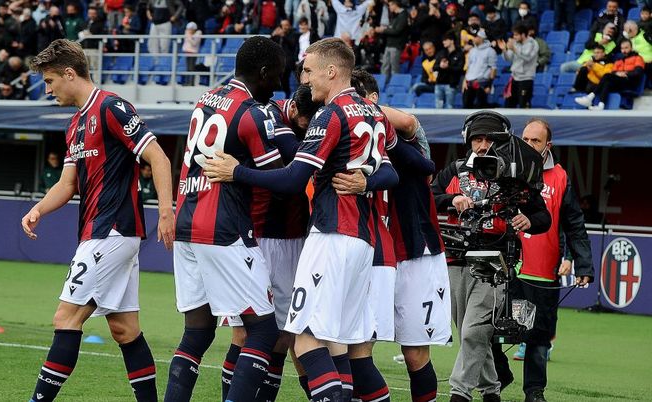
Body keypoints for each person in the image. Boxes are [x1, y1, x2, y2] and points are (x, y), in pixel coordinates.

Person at [203, 37, 399, 402]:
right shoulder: (373, 113)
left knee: (306, 340)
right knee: (337, 345)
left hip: (331, 237)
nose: (304, 80)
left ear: (331, 70)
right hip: (362, 243)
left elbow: (294, 179)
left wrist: (237, 173)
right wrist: (367, 180)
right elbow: (391, 174)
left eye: (308, 71)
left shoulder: (331, 114)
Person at [21, 38, 175, 402]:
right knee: (124, 329)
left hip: (113, 231)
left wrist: (166, 211)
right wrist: (39, 209)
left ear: (70, 73)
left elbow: (160, 158)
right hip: (100, 234)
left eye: (49, 81)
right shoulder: (75, 125)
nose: (47, 89)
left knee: (65, 318)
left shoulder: (112, 108)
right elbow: (67, 183)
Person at [164, 36, 286, 402]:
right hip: (224, 229)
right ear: (262, 72)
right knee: (264, 331)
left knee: (197, 333)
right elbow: (280, 179)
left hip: (186, 223)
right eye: (276, 76)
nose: (279, 85)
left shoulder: (205, 100)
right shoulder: (252, 112)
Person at [345, 68, 451, 402]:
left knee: (415, 353)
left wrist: (363, 111)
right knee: (356, 346)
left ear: (373, 100)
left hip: (416, 253)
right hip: (372, 254)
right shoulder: (349, 138)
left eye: (356, 100)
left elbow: (409, 121)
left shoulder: (406, 138)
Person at [430, 110, 551, 402]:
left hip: (495, 263)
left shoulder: (516, 174)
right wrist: (452, 199)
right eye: (477, 139)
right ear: (468, 140)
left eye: (488, 139)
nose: (482, 145)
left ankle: (459, 393)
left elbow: (542, 216)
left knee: (474, 331)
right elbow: (429, 198)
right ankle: (491, 391)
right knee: (471, 333)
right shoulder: (455, 170)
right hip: (455, 260)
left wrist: (528, 220)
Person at [219, 84, 320, 402]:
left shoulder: (307, 119)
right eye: (305, 125)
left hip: (294, 238)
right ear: (294, 113)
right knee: (247, 331)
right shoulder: (268, 116)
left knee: (283, 333)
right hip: (259, 235)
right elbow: (290, 176)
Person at [507, 118, 595, 402]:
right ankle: (495, 380)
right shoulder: (505, 170)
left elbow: (574, 224)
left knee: (538, 339)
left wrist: (583, 263)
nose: (529, 145)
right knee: (493, 332)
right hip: (507, 269)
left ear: (548, 146)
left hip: (543, 274)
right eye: (526, 139)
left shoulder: (561, 178)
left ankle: (534, 392)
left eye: (536, 141)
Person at [575, 39, 645, 110]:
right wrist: (617, 73)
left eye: (626, 48)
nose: (624, 50)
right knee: (607, 81)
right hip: (619, 81)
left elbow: (638, 72)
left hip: (630, 81)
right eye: (622, 48)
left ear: (631, 48)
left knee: (607, 76)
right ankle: (601, 105)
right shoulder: (619, 61)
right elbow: (613, 72)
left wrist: (626, 73)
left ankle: (590, 97)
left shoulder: (638, 58)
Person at [499, 22, 538, 108]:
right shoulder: (515, 43)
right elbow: (508, 59)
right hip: (514, 78)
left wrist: (514, 49)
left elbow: (527, 57)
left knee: (523, 105)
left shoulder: (533, 44)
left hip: (526, 79)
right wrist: (504, 50)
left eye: (516, 35)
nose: (514, 37)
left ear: (523, 35)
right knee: (509, 104)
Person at [462, 25, 497, 108]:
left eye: (476, 37)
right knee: (466, 105)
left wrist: (489, 85)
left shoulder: (490, 51)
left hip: (481, 82)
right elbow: (469, 67)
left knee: (480, 106)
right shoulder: (472, 50)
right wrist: (465, 81)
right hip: (469, 82)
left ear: (482, 38)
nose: (474, 38)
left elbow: (493, 68)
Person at [375, 0, 408, 83]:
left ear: (395, 5)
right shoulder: (395, 16)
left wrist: (383, 30)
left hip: (396, 46)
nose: (389, 8)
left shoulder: (403, 15)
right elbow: (392, 29)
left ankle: (394, 85)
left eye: (390, 5)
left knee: (394, 68)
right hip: (389, 45)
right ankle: (382, 85)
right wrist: (387, 29)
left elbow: (397, 31)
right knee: (384, 66)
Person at [434, 31, 465, 108]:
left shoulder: (460, 54)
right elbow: (434, 67)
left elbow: (460, 69)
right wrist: (440, 66)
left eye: (445, 40)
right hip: (439, 83)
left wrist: (448, 67)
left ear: (452, 41)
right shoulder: (441, 53)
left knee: (449, 106)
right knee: (438, 107)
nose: (443, 42)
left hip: (451, 85)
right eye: (443, 40)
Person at [271, 18, 299, 96]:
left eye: (286, 25)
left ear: (289, 26)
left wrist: (283, 36)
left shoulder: (293, 34)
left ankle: (287, 95)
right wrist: (273, 35)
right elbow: (270, 43)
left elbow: (292, 44)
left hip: (289, 62)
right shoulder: (278, 35)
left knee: (286, 80)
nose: (284, 27)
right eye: (283, 26)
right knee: (279, 80)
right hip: (279, 62)